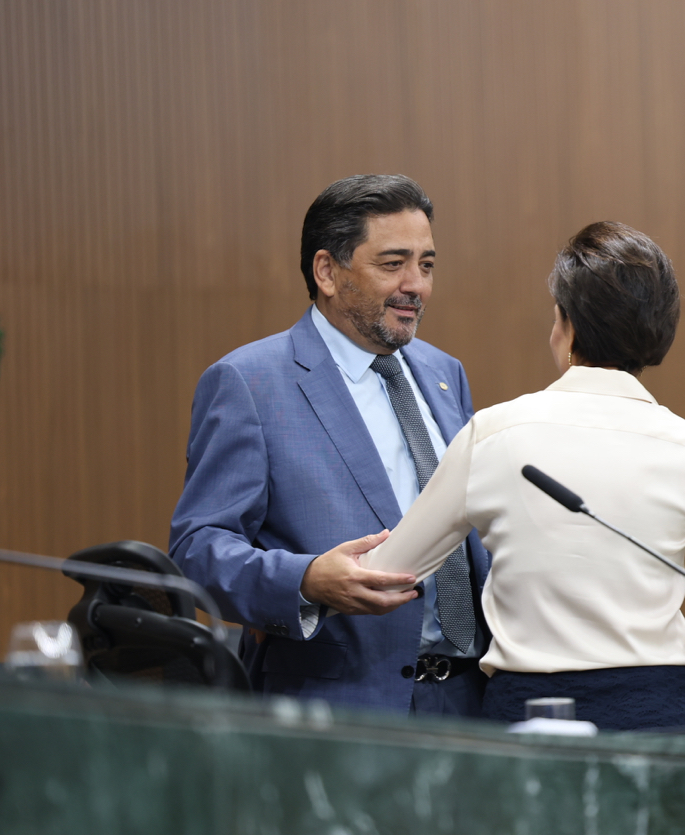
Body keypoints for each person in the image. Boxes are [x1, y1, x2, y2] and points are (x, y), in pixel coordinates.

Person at [360, 222, 685, 730]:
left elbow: (389, 573)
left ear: (567, 325)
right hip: (659, 713)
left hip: (527, 713)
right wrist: (664, 663)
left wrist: (302, 581)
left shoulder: (493, 433)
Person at [169, 174, 489, 716]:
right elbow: (198, 549)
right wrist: (307, 581)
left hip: (469, 700)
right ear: (327, 272)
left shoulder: (444, 373)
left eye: (427, 265)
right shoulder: (250, 382)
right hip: (339, 707)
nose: (417, 285)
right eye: (393, 264)